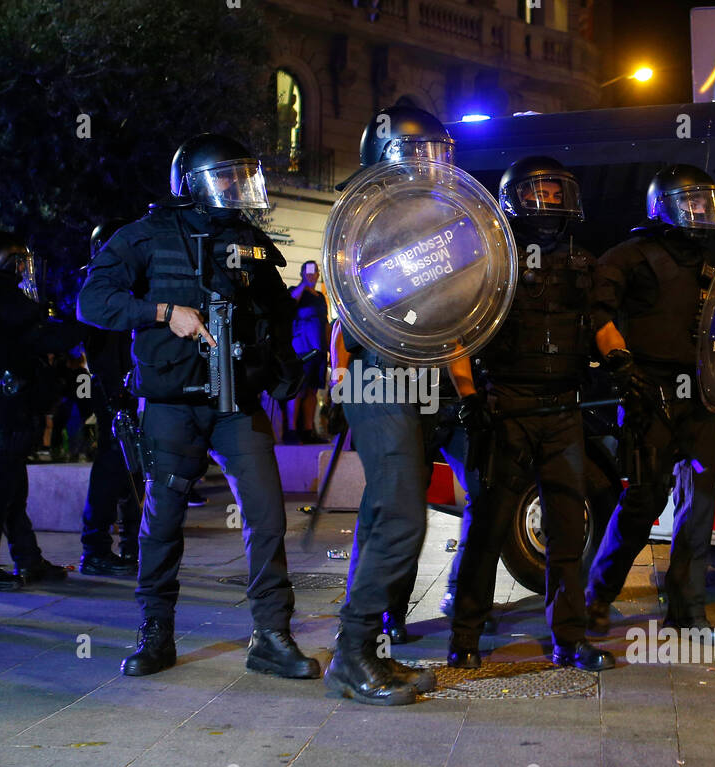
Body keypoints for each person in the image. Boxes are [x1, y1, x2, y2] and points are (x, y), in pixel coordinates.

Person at [78, 133, 319, 681]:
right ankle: (156, 633)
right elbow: (92, 301)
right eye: (228, 177)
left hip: (237, 404)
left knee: (266, 516)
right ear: (193, 184)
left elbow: (276, 316)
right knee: (161, 522)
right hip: (171, 404)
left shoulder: (248, 240)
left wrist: (287, 372)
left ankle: (272, 635)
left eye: (243, 177)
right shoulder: (145, 237)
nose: (238, 187)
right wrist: (165, 311)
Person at [446, 156, 615, 672]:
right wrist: (469, 395)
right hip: (506, 409)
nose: (549, 202)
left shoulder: (584, 264)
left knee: (567, 531)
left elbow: (600, 325)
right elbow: (458, 334)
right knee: (490, 527)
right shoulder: (491, 263)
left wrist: (621, 358)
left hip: (564, 410)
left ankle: (569, 638)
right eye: (538, 192)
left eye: (557, 192)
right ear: (513, 200)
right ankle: (466, 635)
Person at [324, 104, 461, 706]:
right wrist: (339, 386)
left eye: (438, 152)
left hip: (424, 379)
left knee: (390, 514)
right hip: (380, 379)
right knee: (403, 513)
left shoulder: (438, 220)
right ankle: (351, 654)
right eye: (418, 153)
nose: (431, 164)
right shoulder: (362, 222)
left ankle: (374, 649)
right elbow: (345, 323)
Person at [587, 165, 715, 634]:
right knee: (643, 503)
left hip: (701, 397)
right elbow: (597, 314)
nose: (701, 211)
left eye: (706, 202)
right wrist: (620, 364)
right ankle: (597, 597)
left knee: (700, 505)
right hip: (649, 393)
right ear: (661, 206)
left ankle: (688, 609)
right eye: (691, 202)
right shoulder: (627, 257)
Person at [0, 231, 77, 590]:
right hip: (3, 404)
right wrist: (85, 319)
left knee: (10, 489)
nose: (23, 267)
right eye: (16, 260)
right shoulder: (5, 297)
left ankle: (28, 559)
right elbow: (50, 339)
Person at [78, 220, 140, 577]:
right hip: (113, 391)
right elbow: (102, 347)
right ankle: (96, 548)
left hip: (127, 388)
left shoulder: (120, 282)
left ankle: (131, 546)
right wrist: (116, 389)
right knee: (112, 467)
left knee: (131, 469)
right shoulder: (99, 285)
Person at [285, 260, 329, 444]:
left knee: (312, 390)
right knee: (298, 389)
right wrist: (304, 284)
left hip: (318, 349)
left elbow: (326, 323)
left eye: (315, 271)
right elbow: (289, 306)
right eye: (309, 271)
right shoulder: (295, 290)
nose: (313, 274)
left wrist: (329, 350)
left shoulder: (319, 296)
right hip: (301, 348)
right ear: (302, 273)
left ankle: (308, 429)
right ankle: (292, 430)